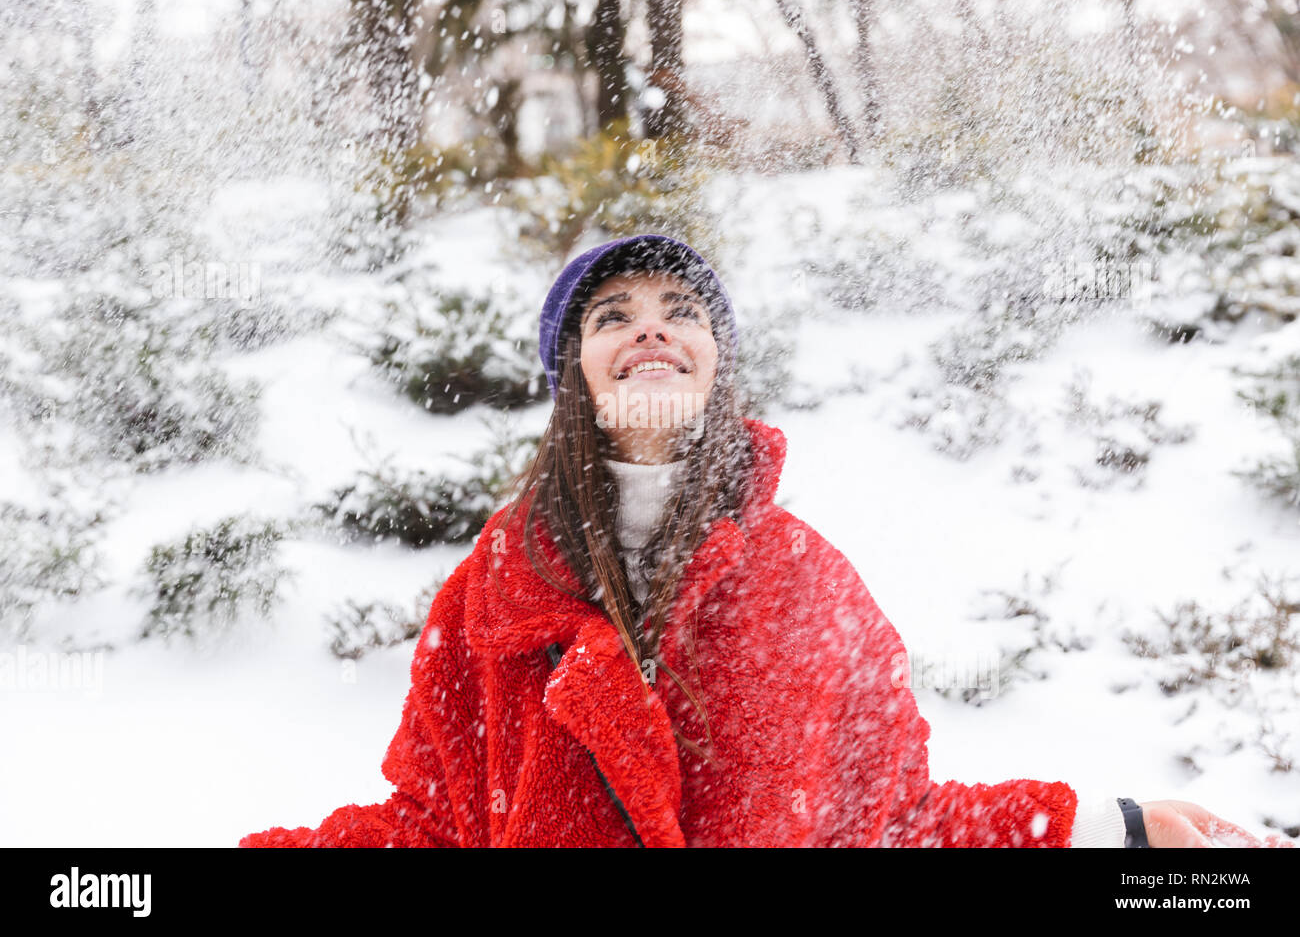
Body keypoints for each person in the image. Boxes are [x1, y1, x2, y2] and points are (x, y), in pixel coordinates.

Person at [241, 234, 1292, 848]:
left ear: (714, 362)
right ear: (572, 380)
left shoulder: (810, 581)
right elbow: (431, 827)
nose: (649, 326)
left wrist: (1110, 828)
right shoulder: (493, 589)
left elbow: (887, 824)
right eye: (610, 314)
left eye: (679, 308)